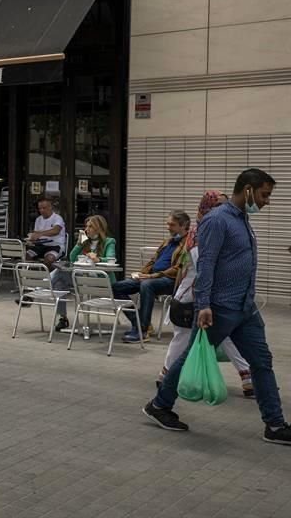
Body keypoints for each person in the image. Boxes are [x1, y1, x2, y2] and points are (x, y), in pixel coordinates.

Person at [144, 168, 291, 445]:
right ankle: (160, 405)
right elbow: (206, 264)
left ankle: (274, 424)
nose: (266, 201)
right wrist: (204, 305)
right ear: (248, 190)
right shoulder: (217, 220)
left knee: (262, 362)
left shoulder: (242, 219)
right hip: (221, 307)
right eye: (264, 194)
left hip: (245, 308)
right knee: (190, 357)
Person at [157, 190, 253, 397]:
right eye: (219, 206)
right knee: (183, 338)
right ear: (206, 208)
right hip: (192, 297)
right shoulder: (201, 233)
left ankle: (247, 376)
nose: (224, 211)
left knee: (224, 334)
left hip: (206, 297)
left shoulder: (212, 229)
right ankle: (165, 382)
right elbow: (204, 267)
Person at [111, 210, 189, 343]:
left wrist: (154, 276)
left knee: (147, 285)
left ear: (183, 226)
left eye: (172, 225)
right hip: (152, 277)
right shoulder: (167, 242)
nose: (168, 227)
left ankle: (143, 330)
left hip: (170, 280)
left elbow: (179, 269)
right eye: (168, 224)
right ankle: (138, 323)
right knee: (117, 287)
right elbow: (153, 261)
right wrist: (143, 274)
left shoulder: (187, 244)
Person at [50, 215, 117, 332]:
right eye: (86, 226)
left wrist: (99, 259)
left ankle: (36, 290)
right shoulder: (86, 242)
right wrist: (80, 243)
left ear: (99, 228)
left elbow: (111, 258)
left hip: (100, 280)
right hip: (83, 279)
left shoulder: (109, 242)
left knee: (59, 273)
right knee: (59, 282)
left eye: (90, 226)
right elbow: (72, 258)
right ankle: (62, 318)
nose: (87, 229)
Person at [26, 198, 67, 266]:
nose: (41, 210)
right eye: (40, 208)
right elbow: (35, 234)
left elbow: (56, 231)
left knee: (49, 259)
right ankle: (29, 275)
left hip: (55, 246)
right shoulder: (38, 219)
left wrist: (40, 234)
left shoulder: (57, 218)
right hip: (40, 246)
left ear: (50, 207)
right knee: (26, 256)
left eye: (44, 208)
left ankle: (48, 276)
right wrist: (32, 238)